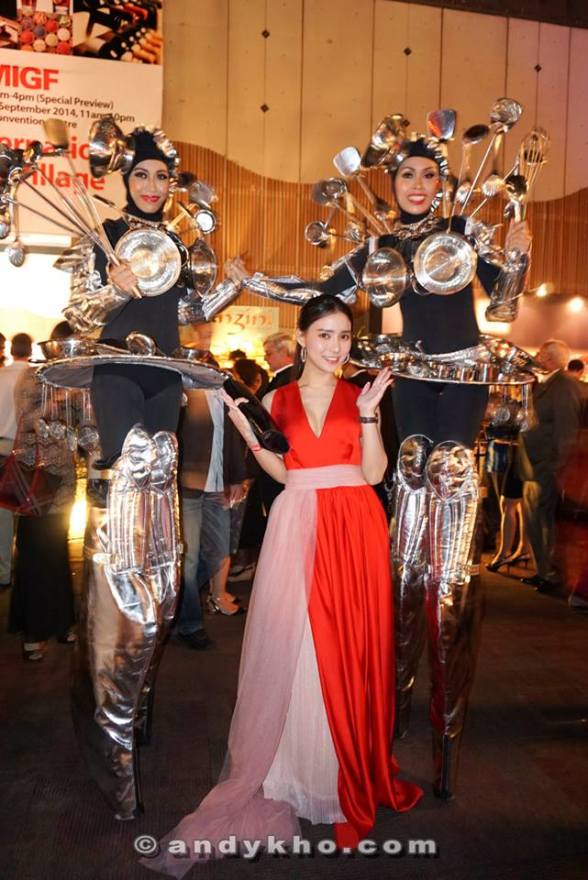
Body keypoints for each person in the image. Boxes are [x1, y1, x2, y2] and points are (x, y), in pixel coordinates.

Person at [225, 125, 533, 799]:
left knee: (449, 497)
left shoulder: (465, 235)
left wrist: (514, 258)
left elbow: (505, 301)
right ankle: (386, 710)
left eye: (428, 175)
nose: (417, 186)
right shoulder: (380, 246)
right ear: (391, 187)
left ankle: (443, 684)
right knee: (407, 477)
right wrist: (255, 281)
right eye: (407, 177)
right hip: (408, 380)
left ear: (443, 183)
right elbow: (319, 288)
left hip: (460, 378)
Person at [143, 294, 422, 876]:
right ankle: (294, 770)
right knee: (290, 644)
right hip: (299, 520)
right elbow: (282, 469)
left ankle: (344, 768)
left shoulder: (361, 394)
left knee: (350, 645)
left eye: (344, 336)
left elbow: (373, 475)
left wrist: (370, 416)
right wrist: (248, 430)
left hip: (356, 525)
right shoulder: (276, 397)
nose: (335, 347)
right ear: (302, 338)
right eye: (324, 335)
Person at [8, 323, 77, 661]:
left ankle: (61, 622)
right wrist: (57, 401)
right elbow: (26, 417)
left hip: (64, 481)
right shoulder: (34, 377)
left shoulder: (77, 379)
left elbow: (83, 425)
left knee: (57, 552)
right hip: (36, 477)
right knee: (34, 554)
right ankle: (33, 631)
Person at [519, 339, 582, 592]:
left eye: (541, 352)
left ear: (552, 358)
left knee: (544, 520)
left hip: (547, 465)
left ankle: (550, 573)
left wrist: (560, 466)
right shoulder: (549, 383)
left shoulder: (563, 385)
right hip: (537, 464)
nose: (536, 354)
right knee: (537, 519)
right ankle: (544, 570)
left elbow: (566, 429)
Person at [0, 333, 33, 591]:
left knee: (3, 515)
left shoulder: (1, 375)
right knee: (26, 509)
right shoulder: (35, 377)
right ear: (30, 349)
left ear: (11, 350)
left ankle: (4, 573)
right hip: (23, 448)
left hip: (0, 447)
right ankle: (24, 569)